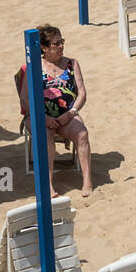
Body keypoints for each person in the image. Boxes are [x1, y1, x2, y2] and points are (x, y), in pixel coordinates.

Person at [17, 25, 92, 198]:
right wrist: (43, 118)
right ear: (43, 47)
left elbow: (82, 93)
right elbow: (25, 99)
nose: (61, 46)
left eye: (62, 42)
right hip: (38, 117)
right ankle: (48, 185)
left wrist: (71, 113)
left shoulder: (71, 64)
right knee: (46, 138)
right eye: (56, 44)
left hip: (67, 115)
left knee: (82, 134)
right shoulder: (33, 67)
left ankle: (87, 180)